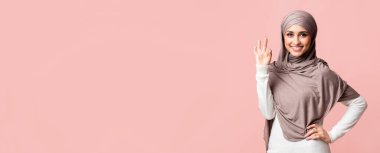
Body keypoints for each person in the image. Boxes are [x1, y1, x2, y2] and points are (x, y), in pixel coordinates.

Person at [253, 10, 368, 153]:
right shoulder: (274, 70)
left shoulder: (321, 73)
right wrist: (261, 70)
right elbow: (268, 113)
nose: (296, 41)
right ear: (283, 37)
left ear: (312, 37)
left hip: (311, 148)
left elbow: (359, 103)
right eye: (290, 34)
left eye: (303, 34)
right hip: (277, 148)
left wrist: (333, 134)